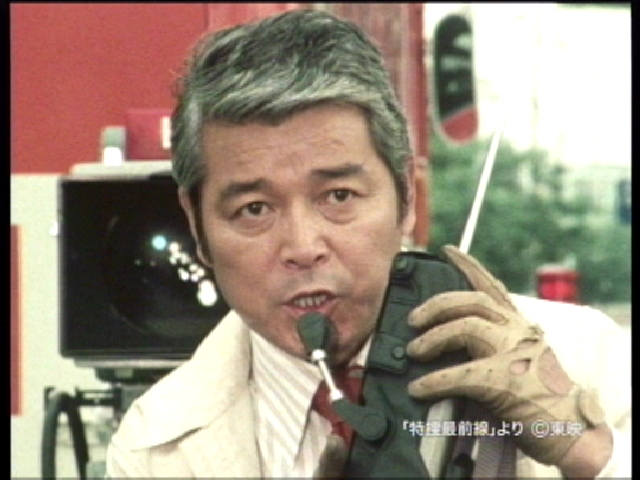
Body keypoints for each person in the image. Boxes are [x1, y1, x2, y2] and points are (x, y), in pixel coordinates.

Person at [105, 9, 630, 478]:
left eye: (338, 196)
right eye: (254, 209)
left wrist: (585, 449)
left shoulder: (589, 358)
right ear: (197, 227)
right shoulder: (154, 447)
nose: (303, 247)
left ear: (406, 197)